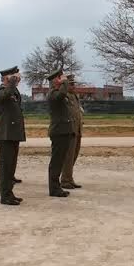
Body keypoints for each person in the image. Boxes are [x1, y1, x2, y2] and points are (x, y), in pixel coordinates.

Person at [0, 65, 26, 206]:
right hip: (4, 135)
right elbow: (6, 94)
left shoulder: (13, 91)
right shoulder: (1, 91)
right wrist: (11, 82)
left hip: (12, 134)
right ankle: (5, 196)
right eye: (14, 77)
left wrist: (13, 83)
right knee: (5, 167)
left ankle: (9, 193)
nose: (17, 79)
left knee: (11, 168)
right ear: (6, 78)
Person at [47, 69, 75, 197]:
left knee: (60, 160)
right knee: (56, 161)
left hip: (64, 131)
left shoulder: (59, 93)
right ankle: (54, 188)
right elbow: (62, 94)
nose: (64, 81)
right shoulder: (53, 94)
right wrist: (64, 83)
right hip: (58, 132)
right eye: (60, 78)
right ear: (55, 81)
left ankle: (56, 186)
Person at [60, 74, 84, 189]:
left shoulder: (74, 96)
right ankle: (65, 180)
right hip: (70, 130)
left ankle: (69, 178)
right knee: (68, 157)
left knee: (74, 155)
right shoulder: (64, 96)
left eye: (74, 84)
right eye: (71, 84)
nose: (74, 86)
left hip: (77, 130)